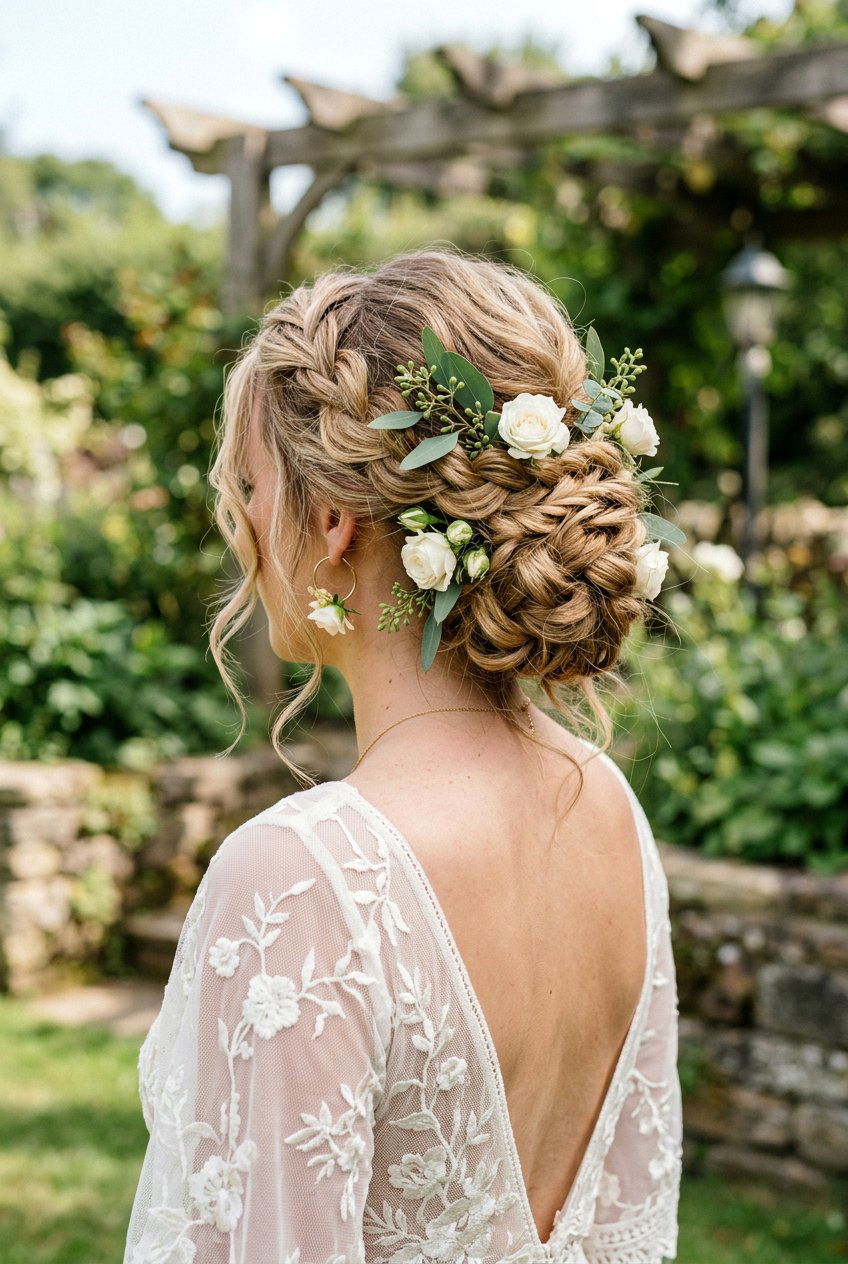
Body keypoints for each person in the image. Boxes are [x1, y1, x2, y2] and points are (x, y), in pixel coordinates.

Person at [123, 247, 682, 1264]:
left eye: (250, 487)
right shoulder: (606, 809)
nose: (239, 524)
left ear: (331, 521)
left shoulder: (301, 880)